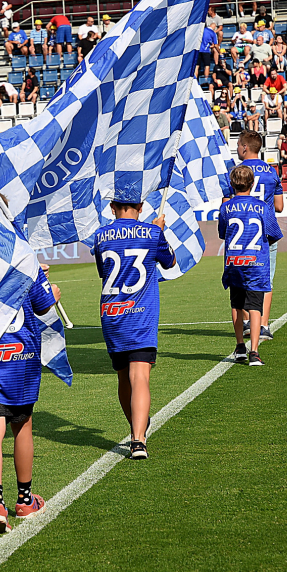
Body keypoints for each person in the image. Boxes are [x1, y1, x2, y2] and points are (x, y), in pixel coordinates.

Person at [0, 261, 60, 534]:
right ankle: (24, 500)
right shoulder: (25, 262)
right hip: (21, 358)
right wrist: (51, 290)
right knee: (22, 426)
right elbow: (44, 303)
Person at [93, 193, 176, 459]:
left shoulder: (100, 235)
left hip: (112, 313)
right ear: (140, 207)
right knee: (139, 375)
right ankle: (138, 440)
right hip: (141, 314)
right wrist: (159, 231)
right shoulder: (151, 232)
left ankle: (136, 427)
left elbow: (102, 272)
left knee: (122, 376)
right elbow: (170, 262)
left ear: (112, 207)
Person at [218, 163, 284, 367]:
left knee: (236, 305)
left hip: (234, 261)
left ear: (232, 184)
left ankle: (239, 346)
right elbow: (274, 233)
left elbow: (223, 233)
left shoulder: (226, 207)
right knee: (255, 307)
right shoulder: (262, 207)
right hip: (256, 263)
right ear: (252, 183)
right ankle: (254, 351)